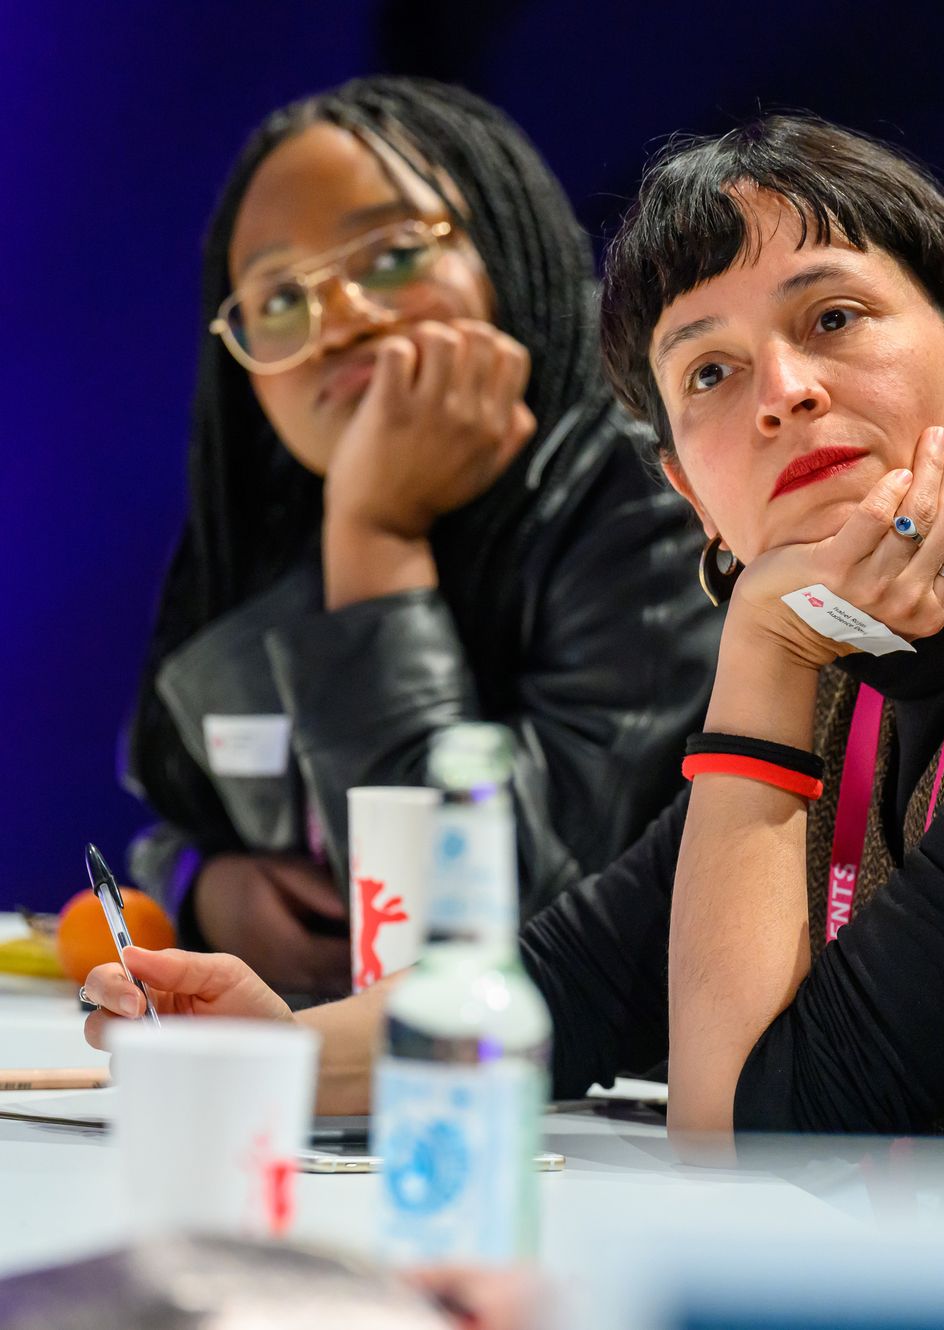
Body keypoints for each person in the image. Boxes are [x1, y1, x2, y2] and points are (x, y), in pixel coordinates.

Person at [86, 115, 944, 1139]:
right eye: (708, 372)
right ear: (687, 491)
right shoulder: (861, 629)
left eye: (835, 317)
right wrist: (268, 1050)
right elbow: (575, 983)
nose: (782, 391)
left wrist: (760, 653)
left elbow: (758, 1123)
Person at [124, 77, 720, 996]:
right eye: (279, 299)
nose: (340, 321)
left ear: (508, 246)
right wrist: (205, 888)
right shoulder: (279, 511)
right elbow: (191, 801)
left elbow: (500, 933)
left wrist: (377, 538)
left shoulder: (658, 490)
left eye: (394, 255)